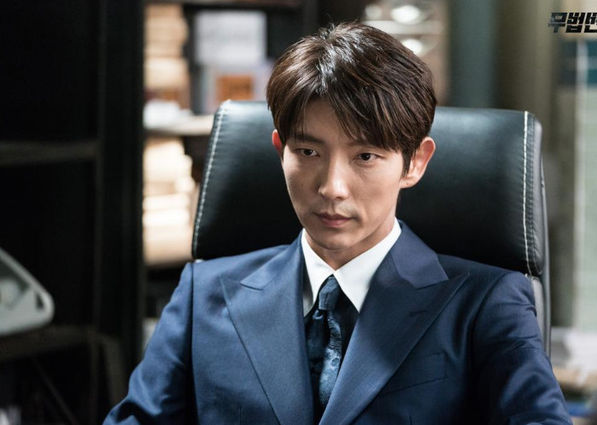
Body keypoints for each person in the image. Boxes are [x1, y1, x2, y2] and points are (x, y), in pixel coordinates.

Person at [104, 22, 571, 424]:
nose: (332, 187)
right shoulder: (204, 293)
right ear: (280, 150)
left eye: (365, 156)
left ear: (414, 162)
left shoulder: (485, 304)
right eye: (308, 152)